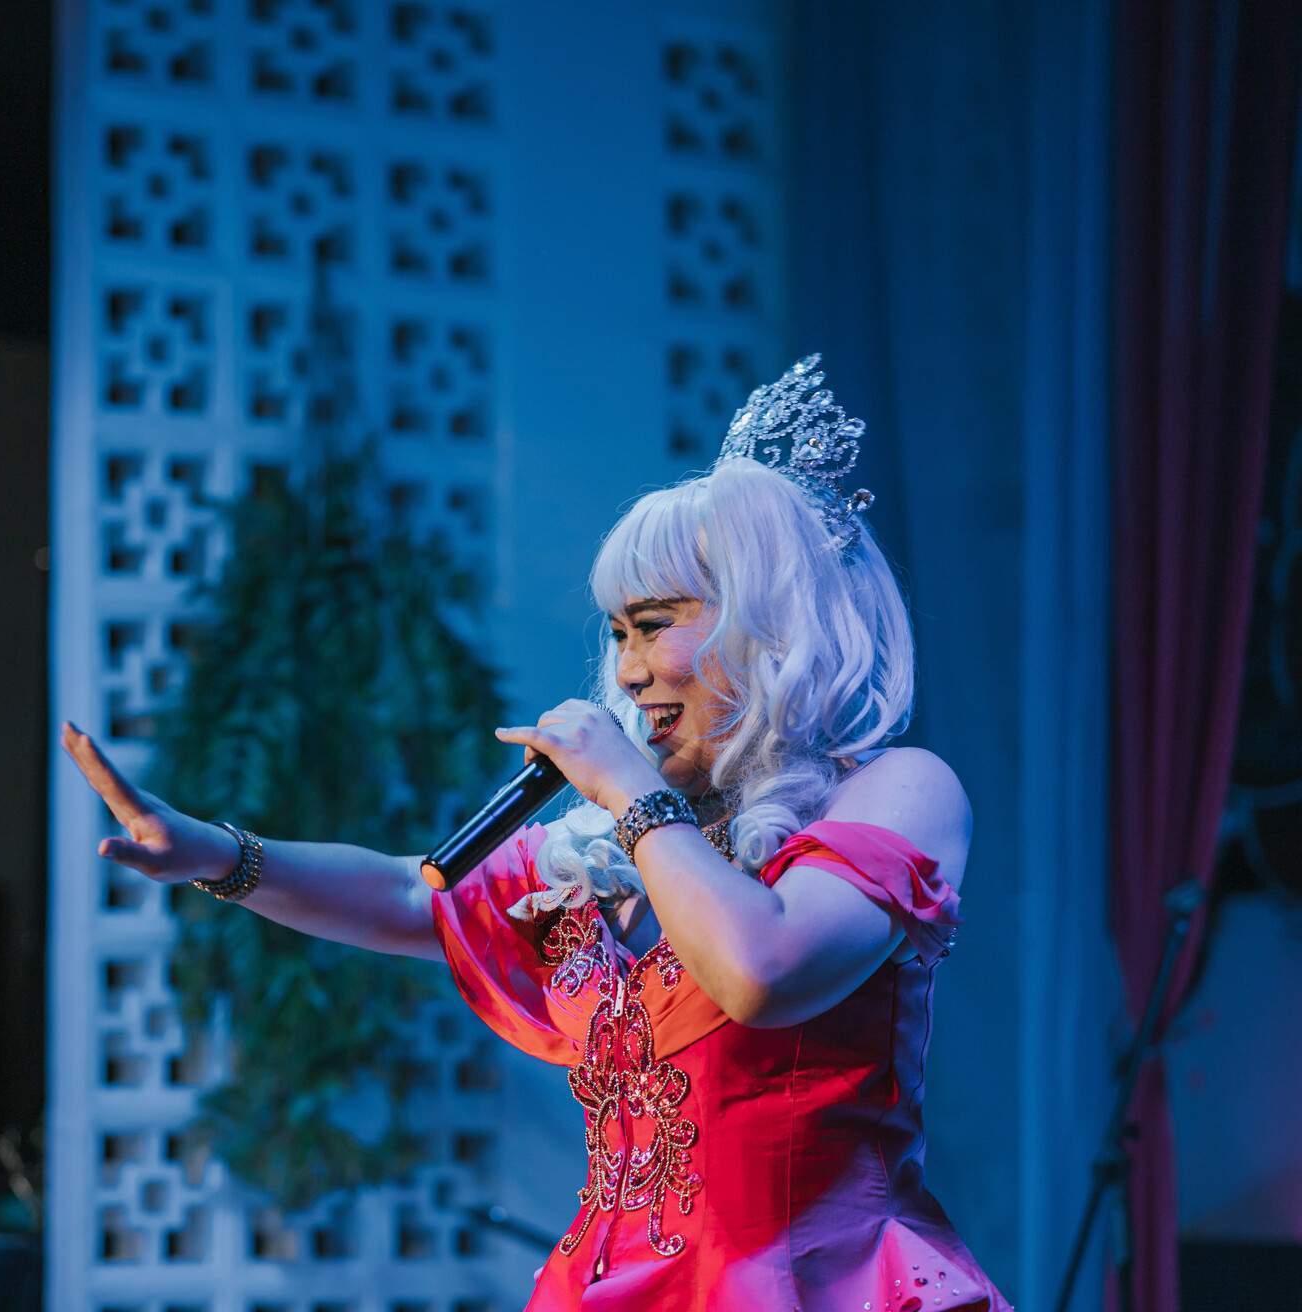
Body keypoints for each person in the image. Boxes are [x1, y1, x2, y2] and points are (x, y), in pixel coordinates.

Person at [62, 355, 1010, 1310]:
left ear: (769, 624)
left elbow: (763, 971)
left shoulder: (896, 792)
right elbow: (411, 892)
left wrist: (633, 793)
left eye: (654, 624)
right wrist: (220, 857)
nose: (630, 671)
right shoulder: (609, 859)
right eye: (617, 635)